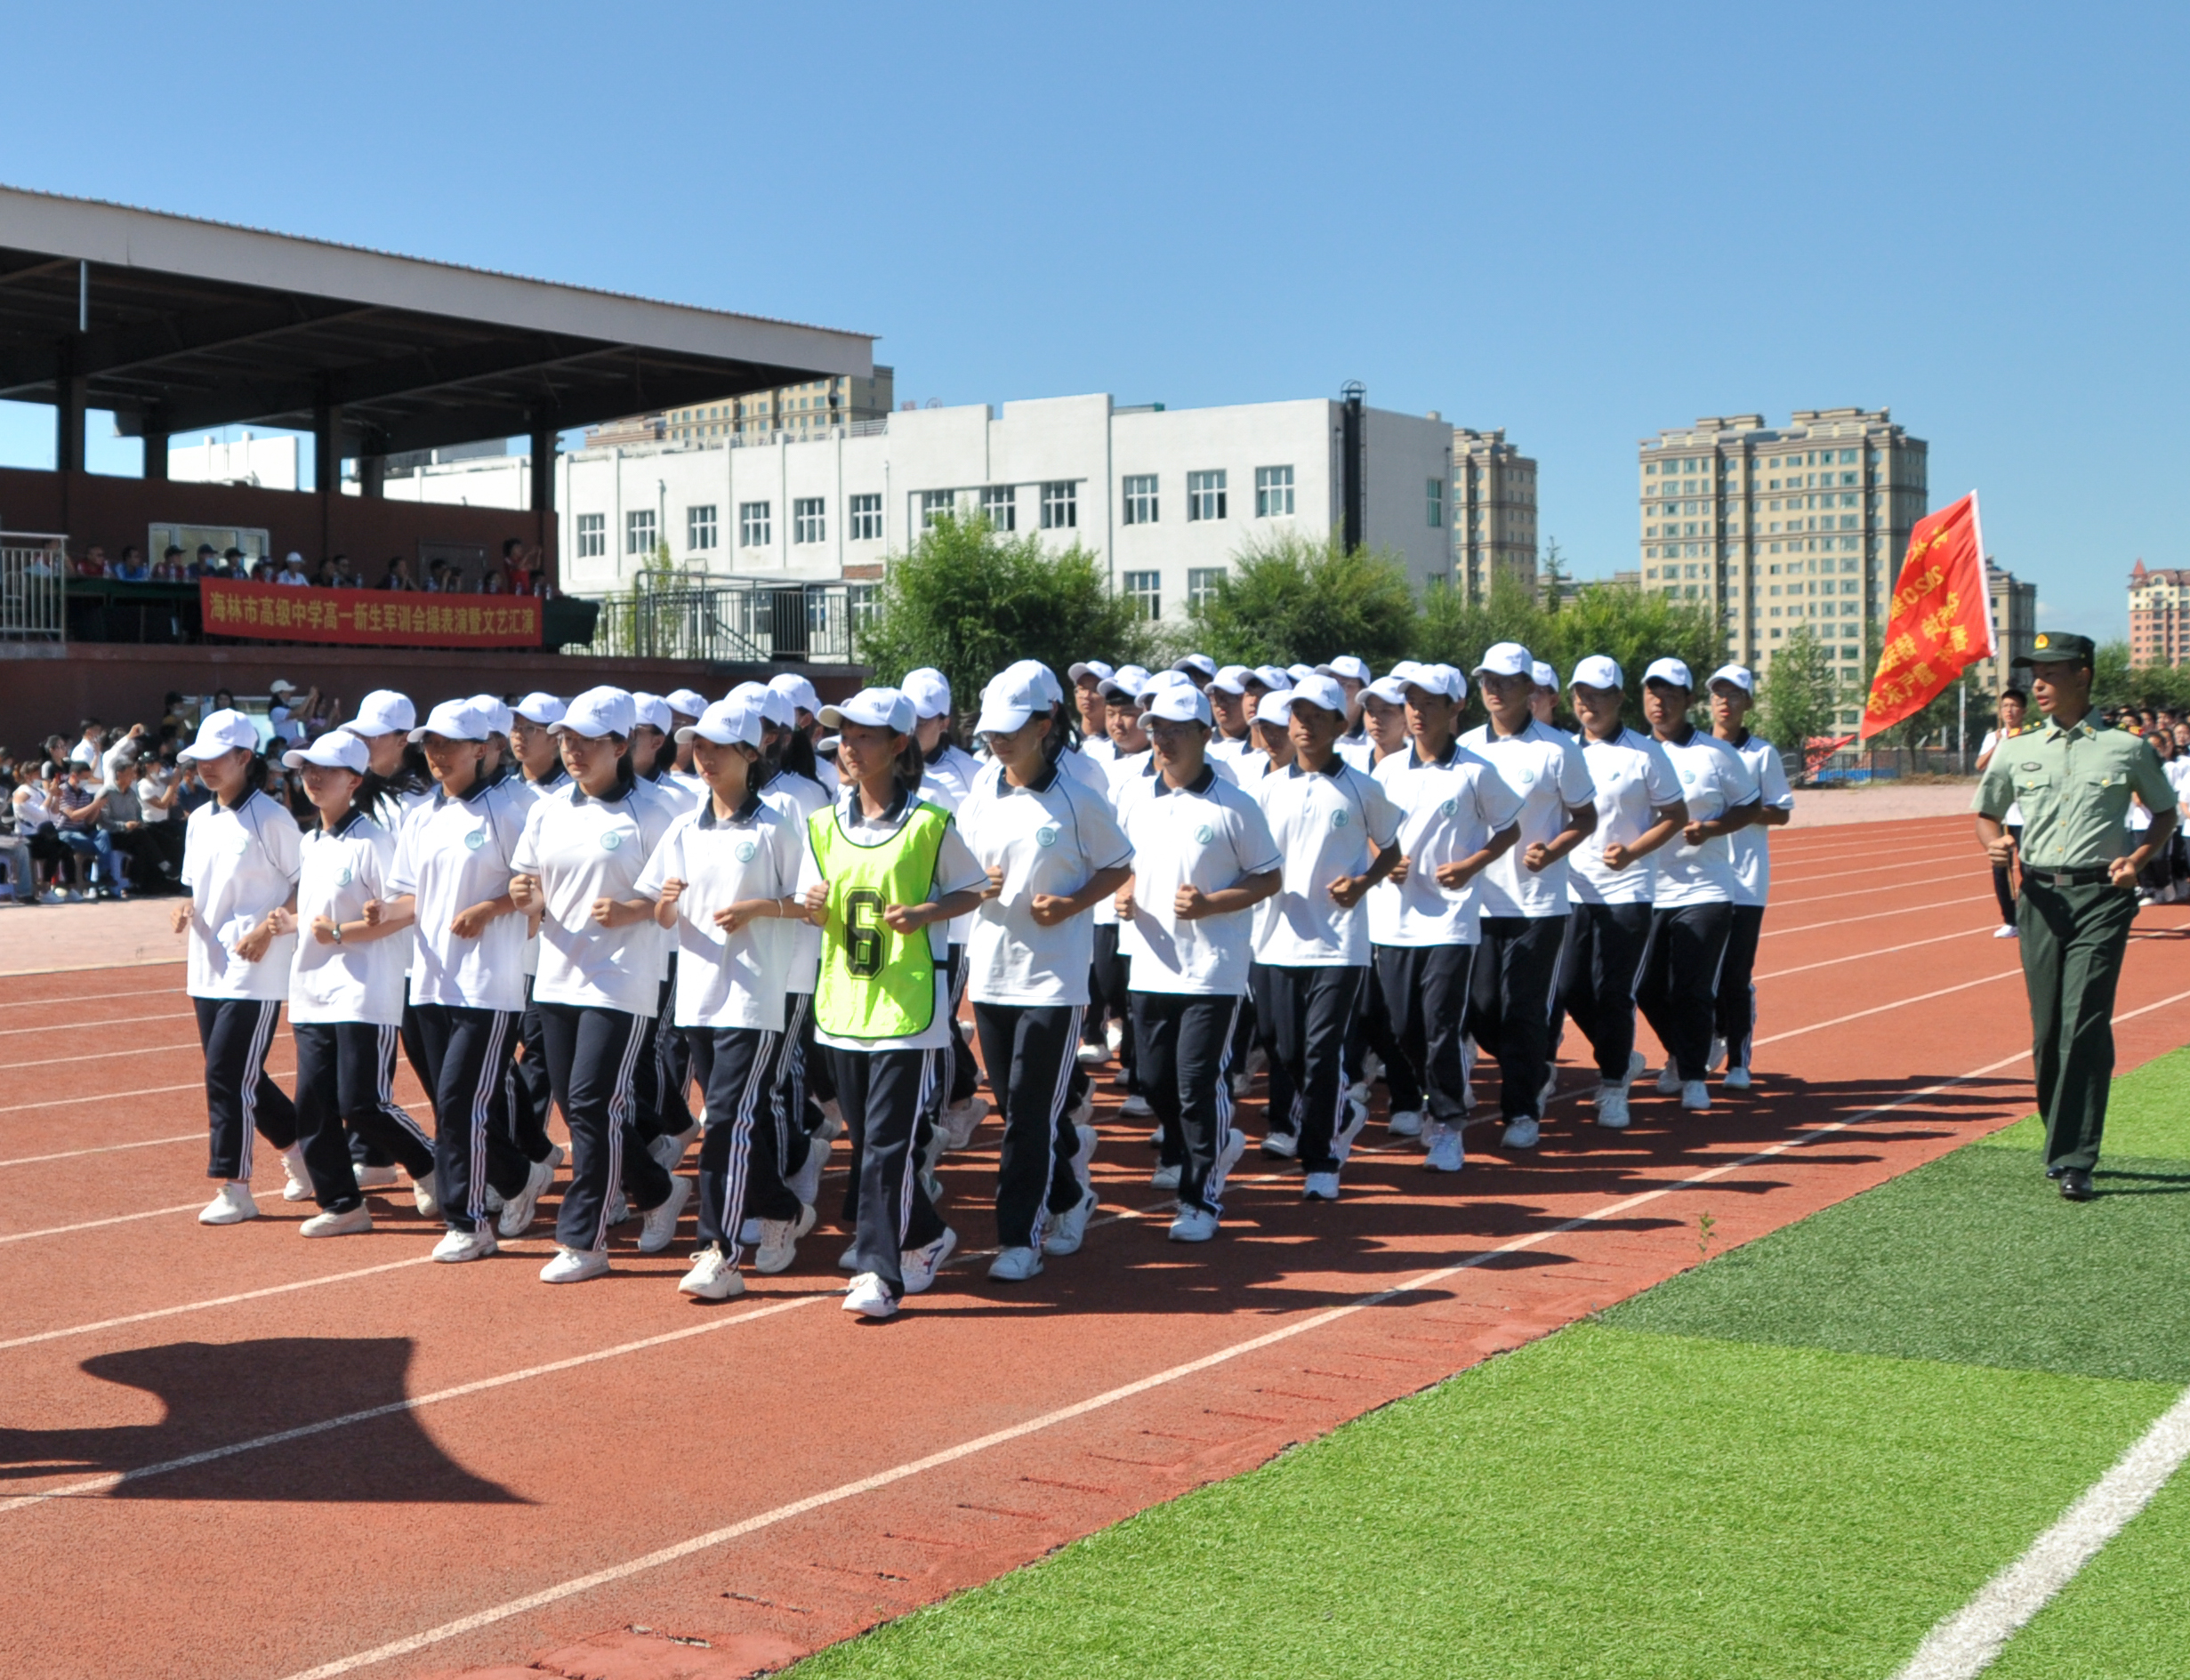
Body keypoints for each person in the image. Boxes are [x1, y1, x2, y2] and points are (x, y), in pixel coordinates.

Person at [796, 687, 987, 1320]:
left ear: (900, 744)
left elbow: (972, 888)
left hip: (909, 1008)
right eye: (844, 735)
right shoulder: (822, 826)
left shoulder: (929, 825)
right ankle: (925, 1233)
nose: (849, 747)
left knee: (885, 1143)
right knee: (868, 1141)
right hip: (844, 1004)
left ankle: (880, 1270)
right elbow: (809, 902)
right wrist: (813, 907)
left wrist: (929, 911)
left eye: (865, 735)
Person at [1973, 632, 2178, 1200]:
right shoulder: (2016, 748)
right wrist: (1993, 843)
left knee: (2083, 1020)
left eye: (2051, 671)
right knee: (2047, 1033)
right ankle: (2060, 1135)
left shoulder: (2126, 748)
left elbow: (2164, 812)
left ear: (2082, 675)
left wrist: (2138, 858)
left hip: (2102, 899)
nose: (2037, 683)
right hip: (2038, 899)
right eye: (2034, 672)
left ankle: (2075, 1156)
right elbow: (1987, 813)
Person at [508, 687, 691, 1282]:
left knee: (591, 1100)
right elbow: (533, 887)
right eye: (566, 738)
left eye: (588, 740)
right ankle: (659, 1189)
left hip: (622, 979)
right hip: (558, 974)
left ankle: (584, 1238)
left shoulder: (658, 811)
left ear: (623, 744)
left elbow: (675, 901)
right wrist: (525, 898)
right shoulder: (549, 808)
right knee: (580, 1105)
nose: (573, 750)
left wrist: (635, 909)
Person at [638, 693, 817, 1298]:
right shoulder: (685, 826)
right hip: (697, 996)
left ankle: (718, 1248)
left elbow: (811, 905)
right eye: (700, 746)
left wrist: (759, 907)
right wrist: (665, 899)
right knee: (739, 1120)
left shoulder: (776, 825)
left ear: (749, 751)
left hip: (754, 997)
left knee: (727, 1121)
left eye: (717, 747)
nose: (704, 756)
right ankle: (782, 1208)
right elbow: (661, 913)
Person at [959, 663, 1132, 1277]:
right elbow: (958, 865)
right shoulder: (981, 787)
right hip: (992, 972)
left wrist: (1072, 902)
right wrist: (976, 884)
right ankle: (1068, 1194)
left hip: (1054, 982)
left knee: (1030, 1116)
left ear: (1045, 722)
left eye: (1011, 729)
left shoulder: (1080, 795)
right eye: (990, 731)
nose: (997, 741)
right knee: (1014, 1107)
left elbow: (1117, 865)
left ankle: (1018, 1239)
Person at [380, 698, 555, 1263]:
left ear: (483, 749)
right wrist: (360, 921)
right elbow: (406, 895)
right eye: (429, 744)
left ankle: (469, 1220)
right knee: (450, 1102)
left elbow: (538, 887)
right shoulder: (423, 813)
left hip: (488, 983)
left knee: (460, 1103)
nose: (435, 754)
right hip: (430, 981)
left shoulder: (515, 807)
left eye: (448, 744)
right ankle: (517, 1176)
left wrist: (489, 908)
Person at [1115, 681, 1282, 1237]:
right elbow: (1124, 863)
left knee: (1195, 1085)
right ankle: (1213, 1143)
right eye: (1156, 729)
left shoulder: (1235, 805)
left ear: (1204, 736)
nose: (1161, 740)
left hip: (1213, 970)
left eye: (1175, 730)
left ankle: (1201, 1198)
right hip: (1149, 963)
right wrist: (1125, 889)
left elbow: (1268, 877)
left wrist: (1211, 903)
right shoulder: (1137, 799)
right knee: (1158, 1083)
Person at [1250, 674, 1402, 1201]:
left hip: (1338, 945)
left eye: (1317, 716)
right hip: (1272, 941)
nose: (1305, 725)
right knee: (1283, 1047)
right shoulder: (1267, 788)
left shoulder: (1363, 787)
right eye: (1298, 715)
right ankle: (1341, 1110)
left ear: (1340, 724)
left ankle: (1321, 1160)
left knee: (1319, 1054)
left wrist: (1363, 882)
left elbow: (1391, 848)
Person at [282, 729, 436, 1235]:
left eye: (324, 770)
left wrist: (348, 930)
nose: (313, 778)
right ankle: (343, 1204)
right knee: (313, 1106)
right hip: (311, 990)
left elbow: (400, 913)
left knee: (361, 1102)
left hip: (364, 988)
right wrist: (284, 924)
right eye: (307, 769)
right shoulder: (310, 842)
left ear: (354, 779)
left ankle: (429, 1162)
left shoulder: (376, 842)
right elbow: (311, 916)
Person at [1370, 663, 1523, 1170]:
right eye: (1410, 702)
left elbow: (1508, 829)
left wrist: (1472, 865)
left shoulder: (1476, 772)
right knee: (1402, 1026)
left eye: (1428, 703)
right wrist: (1385, 859)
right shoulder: (1388, 768)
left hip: (1452, 920)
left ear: (1456, 707)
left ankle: (1448, 1123)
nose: (1416, 712)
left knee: (1440, 1024)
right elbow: (1374, 832)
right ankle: (1440, 1093)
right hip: (1394, 919)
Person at [170, 710, 308, 1225]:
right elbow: (196, 887)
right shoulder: (199, 819)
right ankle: (305, 1153)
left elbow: (303, 883)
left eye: (216, 757)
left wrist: (268, 928)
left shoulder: (271, 819)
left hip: (256, 963)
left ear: (245, 758)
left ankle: (235, 1186)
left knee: (226, 1074)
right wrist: (186, 907)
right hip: (206, 961)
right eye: (199, 759)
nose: (205, 767)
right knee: (238, 1075)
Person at [1461, 643, 1597, 1150]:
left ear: (1527, 689)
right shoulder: (1468, 746)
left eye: (1503, 680)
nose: (1492, 689)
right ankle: (1535, 1062)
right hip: (1478, 902)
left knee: (1521, 1009)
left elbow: (1586, 817)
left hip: (1538, 904)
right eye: (1485, 680)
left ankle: (1521, 1112)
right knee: (1481, 1007)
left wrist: (1554, 850)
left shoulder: (1558, 748)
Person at [1558, 657, 1686, 1129]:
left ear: (1617, 699)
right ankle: (1624, 1056)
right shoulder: (1562, 751)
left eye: (1597, 694)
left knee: (1614, 991)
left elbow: (1674, 814)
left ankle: (1614, 1086)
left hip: (1627, 888)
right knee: (1570, 987)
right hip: (1573, 887)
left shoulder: (1644, 754)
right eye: (1580, 694)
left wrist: (1632, 852)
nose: (1587, 702)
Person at [1635, 659, 1759, 1113]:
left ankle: (1691, 1077)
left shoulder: (1714, 754)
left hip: (1704, 888)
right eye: (1653, 692)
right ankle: (1690, 1049)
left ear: (1688, 700)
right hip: (1647, 889)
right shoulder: (1634, 752)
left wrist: (1711, 827)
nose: (1660, 701)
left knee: (1691, 987)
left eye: (1670, 694)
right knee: (1645, 986)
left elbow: (1749, 806)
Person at [1707, 666, 1794, 1089]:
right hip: (1698, 878)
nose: (1725, 702)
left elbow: (1781, 811)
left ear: (1748, 704)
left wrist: (1741, 811)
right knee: (1692, 974)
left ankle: (1738, 1060)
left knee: (1734, 974)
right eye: (1718, 694)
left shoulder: (1761, 754)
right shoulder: (1695, 751)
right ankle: (1703, 1041)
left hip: (1745, 880)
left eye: (1734, 695)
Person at [1975, 688, 2030, 937]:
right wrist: (1998, 743)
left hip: (2026, 813)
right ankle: (2011, 919)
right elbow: (1980, 765)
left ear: (2024, 711)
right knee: (2000, 867)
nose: (2009, 710)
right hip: (2001, 813)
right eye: (2005, 706)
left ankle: (2033, 916)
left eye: (2014, 706)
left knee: (2029, 868)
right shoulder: (1994, 737)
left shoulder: (2032, 736)